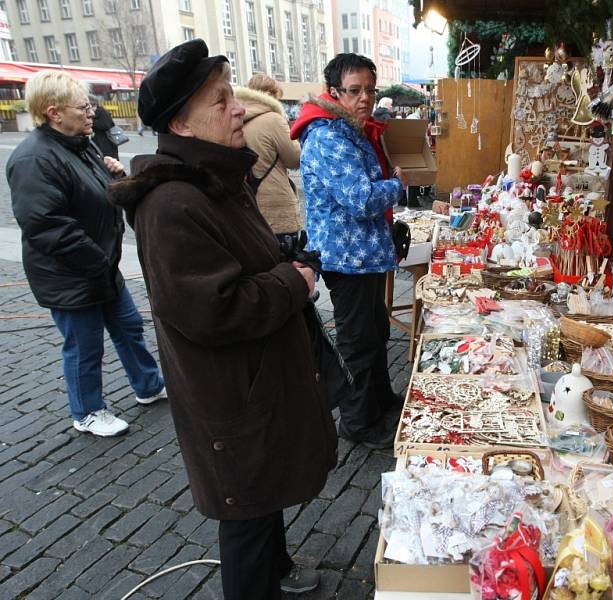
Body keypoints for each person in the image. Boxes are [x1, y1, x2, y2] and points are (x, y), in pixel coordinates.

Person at [107, 40, 336, 599]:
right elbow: (215, 308)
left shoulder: (217, 182)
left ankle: (277, 575)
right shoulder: (172, 205)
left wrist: (285, 261)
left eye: (232, 95)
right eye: (220, 101)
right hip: (231, 396)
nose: (238, 109)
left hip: (255, 381)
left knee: (264, 497)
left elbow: (246, 261)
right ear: (181, 125)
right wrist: (294, 281)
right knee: (246, 517)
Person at [6, 70, 166, 438]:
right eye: (83, 107)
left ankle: (148, 386)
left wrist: (115, 176)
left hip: (101, 268)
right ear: (54, 113)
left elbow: (100, 198)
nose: (92, 112)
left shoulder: (83, 144)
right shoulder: (34, 159)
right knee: (84, 346)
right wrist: (97, 261)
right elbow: (48, 227)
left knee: (128, 328)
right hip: (72, 275)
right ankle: (88, 411)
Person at [290, 53, 406, 450]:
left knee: (375, 331)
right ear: (334, 92)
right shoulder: (327, 136)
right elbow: (360, 198)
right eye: (355, 90)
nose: (365, 98)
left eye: (370, 90)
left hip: (365, 253)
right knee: (358, 341)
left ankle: (381, 398)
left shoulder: (349, 129)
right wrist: (397, 184)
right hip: (346, 257)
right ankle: (357, 422)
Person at [234, 74, 302, 238]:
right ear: (272, 95)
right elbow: (294, 159)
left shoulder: (236, 119)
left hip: (247, 205)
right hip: (276, 208)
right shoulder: (273, 119)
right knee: (286, 259)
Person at [89, 94, 119, 160]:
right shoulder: (95, 112)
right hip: (99, 141)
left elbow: (106, 125)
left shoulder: (101, 111)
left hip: (106, 142)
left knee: (108, 160)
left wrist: (91, 123)